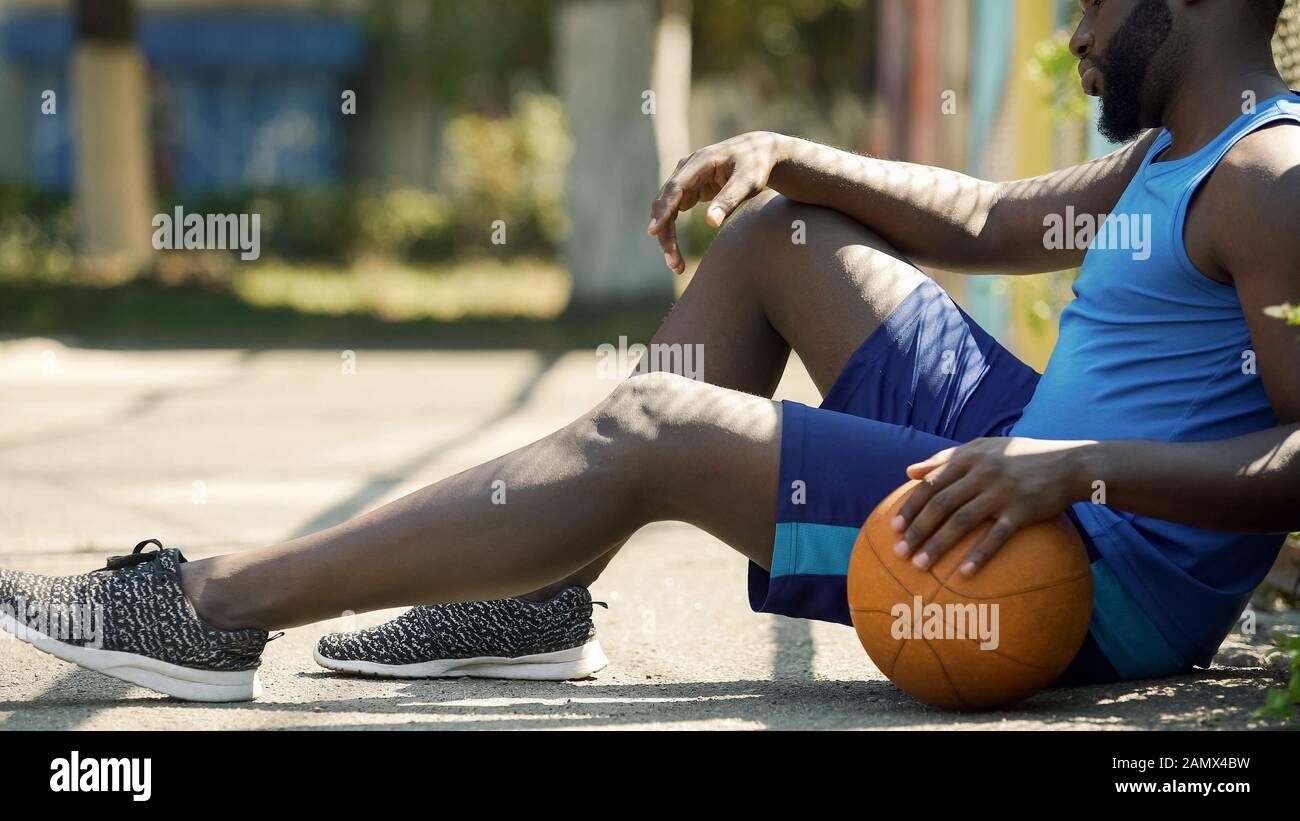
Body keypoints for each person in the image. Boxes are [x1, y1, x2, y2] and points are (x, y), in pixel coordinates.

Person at [2, 0, 1298, 702]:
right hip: (1040, 459)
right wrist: (787, 153)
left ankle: (214, 607)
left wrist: (1077, 469)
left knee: (652, 434)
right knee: (777, 236)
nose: (1070, 34)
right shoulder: (1167, 147)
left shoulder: (1268, 175)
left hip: (1090, 568)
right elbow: (985, 220)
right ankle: (538, 591)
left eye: (1084, 2)